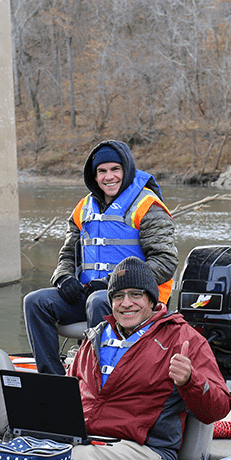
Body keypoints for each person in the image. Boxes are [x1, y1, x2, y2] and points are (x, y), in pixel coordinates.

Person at [68, 256, 231, 460]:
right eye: (118, 296)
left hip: (148, 453)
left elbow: (218, 408)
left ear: (152, 300)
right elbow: (68, 396)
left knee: (83, 459)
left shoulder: (182, 338)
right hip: (87, 441)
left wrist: (190, 380)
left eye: (136, 295)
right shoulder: (94, 337)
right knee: (22, 451)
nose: (126, 303)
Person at [23, 140, 178, 375]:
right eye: (102, 171)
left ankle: (96, 378)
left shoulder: (148, 206)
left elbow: (165, 262)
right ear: (94, 176)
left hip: (137, 299)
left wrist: (114, 285)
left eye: (115, 169)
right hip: (89, 294)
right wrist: (63, 278)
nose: (109, 177)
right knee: (35, 302)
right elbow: (67, 254)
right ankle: (52, 379)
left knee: (98, 301)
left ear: (126, 170)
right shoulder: (83, 207)